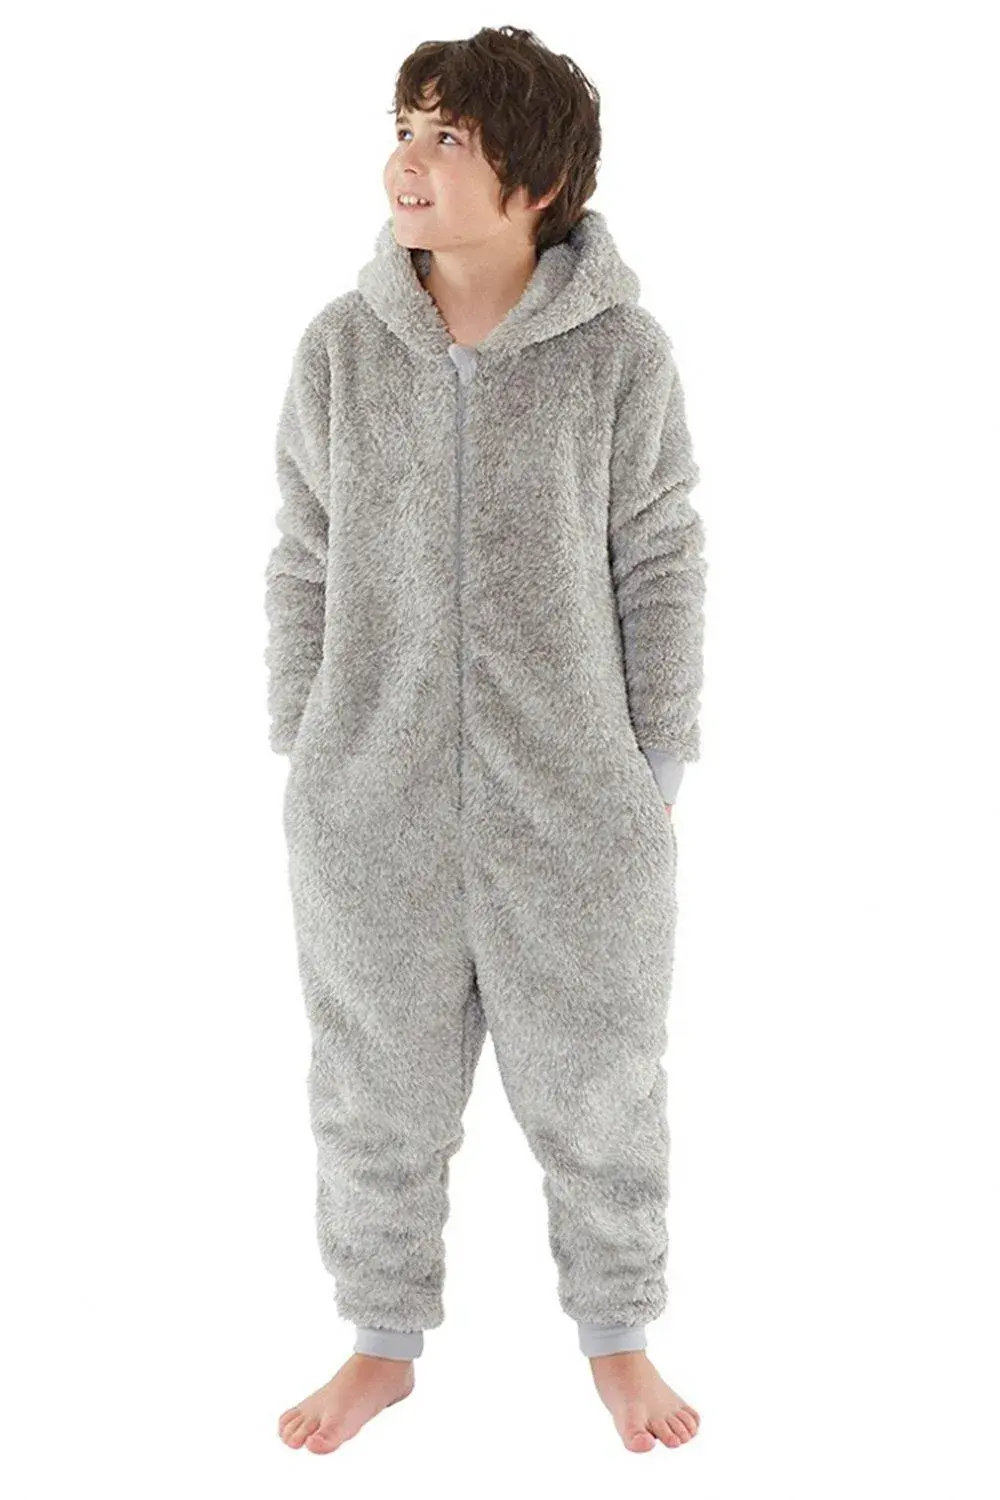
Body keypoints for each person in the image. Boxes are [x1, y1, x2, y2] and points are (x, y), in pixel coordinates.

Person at [266, 25, 705, 1456]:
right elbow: (304, 551)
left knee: (601, 1081)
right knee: (374, 1085)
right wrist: (306, 733)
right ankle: (381, 1341)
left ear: (541, 182)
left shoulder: (619, 358)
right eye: (405, 126)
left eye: (449, 137)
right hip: (368, 794)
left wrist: (655, 761)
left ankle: (619, 1336)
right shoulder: (342, 351)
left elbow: (659, 556)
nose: (409, 157)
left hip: (577, 801)